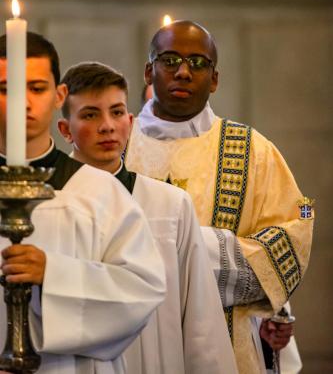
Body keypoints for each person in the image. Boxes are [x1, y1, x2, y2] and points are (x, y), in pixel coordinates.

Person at [125, 20, 314, 374]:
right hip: (130, 342)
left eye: (198, 63)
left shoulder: (254, 150)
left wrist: (192, 249)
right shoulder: (114, 148)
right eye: (170, 60)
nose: (183, 72)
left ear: (214, 79)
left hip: (228, 348)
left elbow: (295, 232)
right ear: (150, 71)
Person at [0, 32, 166, 374]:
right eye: (6, 90)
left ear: (59, 95)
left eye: (36, 88)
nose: (23, 103)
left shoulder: (98, 191)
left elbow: (142, 290)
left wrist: (55, 275)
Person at [58, 61, 238, 374]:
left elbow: (201, 319)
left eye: (116, 113)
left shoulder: (170, 206)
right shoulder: (49, 205)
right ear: (65, 130)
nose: (107, 126)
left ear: (130, 121)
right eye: (90, 114)